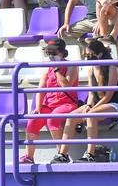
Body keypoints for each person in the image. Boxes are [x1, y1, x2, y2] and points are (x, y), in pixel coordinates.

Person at [57, 36, 118, 163]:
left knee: (91, 115)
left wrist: (92, 109)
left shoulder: (112, 68)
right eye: (86, 56)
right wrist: (88, 105)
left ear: (100, 54)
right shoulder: (91, 69)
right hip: (97, 103)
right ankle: (62, 154)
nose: (88, 58)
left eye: (91, 55)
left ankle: (90, 154)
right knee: (71, 116)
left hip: (115, 104)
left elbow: (108, 95)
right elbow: (92, 93)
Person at [21, 37, 80, 165]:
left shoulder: (72, 66)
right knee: (33, 120)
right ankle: (28, 156)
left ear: (62, 53)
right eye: (49, 53)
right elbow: (41, 87)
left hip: (67, 104)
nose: (51, 56)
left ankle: (61, 155)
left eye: (54, 53)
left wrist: (57, 70)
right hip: (49, 104)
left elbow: (67, 86)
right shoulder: (47, 68)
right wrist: (37, 108)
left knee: (53, 119)